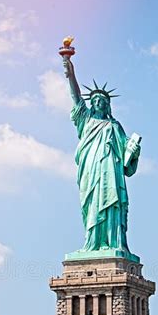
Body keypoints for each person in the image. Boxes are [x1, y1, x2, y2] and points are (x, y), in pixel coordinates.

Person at [62, 56, 141, 256]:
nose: (97, 103)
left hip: (110, 173)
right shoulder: (85, 119)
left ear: (107, 105)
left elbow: (126, 159)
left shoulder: (115, 126)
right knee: (91, 205)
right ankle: (92, 243)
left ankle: (113, 244)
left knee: (112, 203)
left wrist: (133, 151)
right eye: (95, 100)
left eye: (101, 101)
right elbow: (76, 96)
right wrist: (69, 69)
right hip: (90, 169)